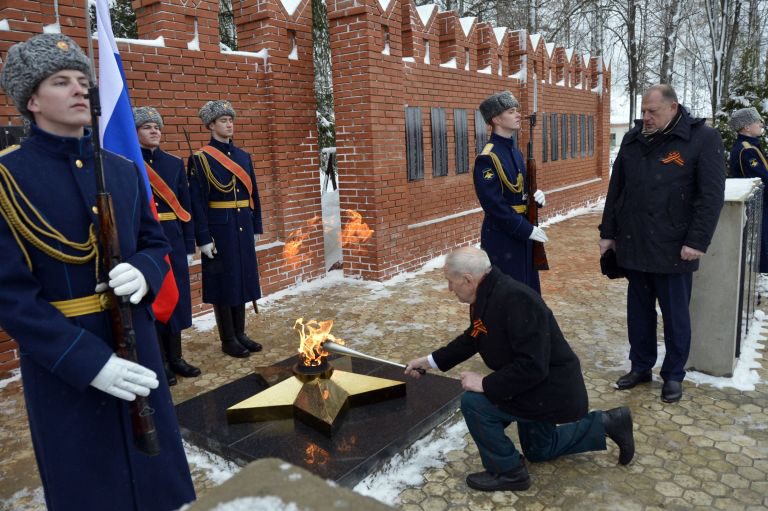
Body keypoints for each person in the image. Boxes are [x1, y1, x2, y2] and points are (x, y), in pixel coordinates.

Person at [0, 34, 195, 509]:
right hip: (64, 359)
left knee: (156, 478)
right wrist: (88, 362)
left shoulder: (124, 171)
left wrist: (146, 272)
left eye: (83, 81)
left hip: (136, 337)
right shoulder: (8, 180)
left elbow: (154, 242)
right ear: (31, 100)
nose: (79, 89)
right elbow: (11, 295)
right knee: (89, 481)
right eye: (61, 81)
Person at [405, 247, 634, 492]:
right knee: (540, 450)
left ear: (468, 280)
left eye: (451, 283)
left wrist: (484, 384)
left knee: (475, 404)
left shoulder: (515, 299)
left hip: (550, 390)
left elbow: (533, 365)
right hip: (533, 386)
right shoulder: (486, 295)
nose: (450, 289)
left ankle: (509, 472)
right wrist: (429, 361)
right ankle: (607, 423)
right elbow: (474, 336)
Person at [599, 84, 725, 403]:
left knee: (675, 316)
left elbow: (710, 197)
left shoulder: (702, 139)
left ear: (673, 107)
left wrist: (697, 241)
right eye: (643, 111)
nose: (646, 117)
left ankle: (673, 375)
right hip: (635, 242)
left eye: (652, 111)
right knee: (639, 314)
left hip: (675, 247)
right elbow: (617, 191)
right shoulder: (632, 139)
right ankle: (641, 367)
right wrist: (608, 233)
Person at [188, 100, 264, 358]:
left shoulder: (243, 156)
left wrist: (256, 225)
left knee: (242, 277)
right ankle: (228, 338)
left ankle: (241, 333)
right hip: (219, 229)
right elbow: (197, 202)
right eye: (223, 120)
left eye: (231, 120)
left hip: (242, 222)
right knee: (224, 282)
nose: (229, 124)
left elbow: (254, 193)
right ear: (211, 125)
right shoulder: (200, 159)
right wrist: (203, 238)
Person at [134, 106, 201, 385]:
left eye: (157, 126)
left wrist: (188, 243)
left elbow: (185, 206)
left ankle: (176, 357)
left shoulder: (174, 163)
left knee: (176, 298)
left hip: (172, 237)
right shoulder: (129, 163)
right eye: (147, 126)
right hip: (145, 241)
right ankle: (159, 360)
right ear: (135, 132)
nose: (154, 130)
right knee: (155, 298)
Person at [474, 91, 547, 294]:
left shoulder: (516, 152)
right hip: (503, 237)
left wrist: (536, 197)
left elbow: (520, 190)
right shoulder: (488, 158)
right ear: (496, 119)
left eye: (517, 110)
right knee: (507, 297)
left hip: (522, 233)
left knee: (527, 294)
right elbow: (494, 205)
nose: (517, 115)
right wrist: (526, 229)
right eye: (511, 111)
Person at [728, 107, 768, 272]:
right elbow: (762, 179)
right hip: (760, 206)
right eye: (757, 121)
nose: (761, 124)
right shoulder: (747, 150)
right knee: (764, 244)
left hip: (762, 205)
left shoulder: (751, 146)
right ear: (746, 127)